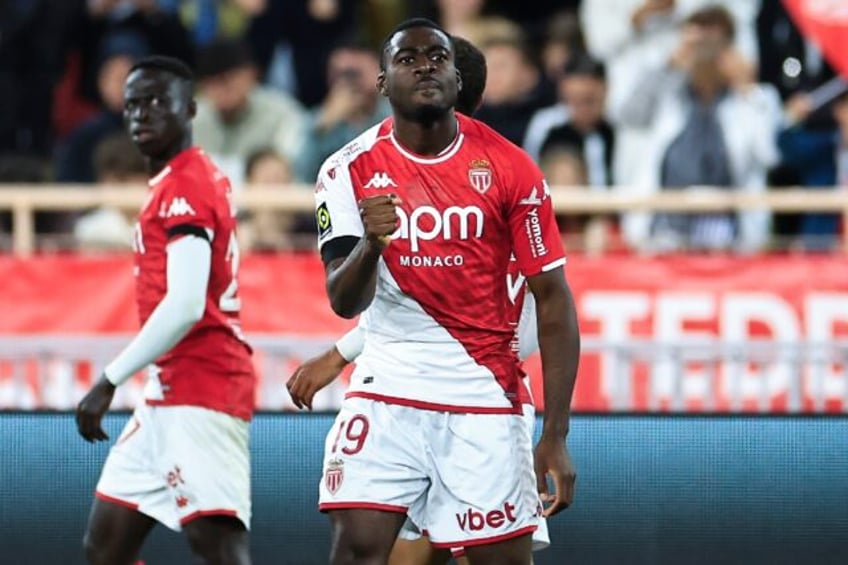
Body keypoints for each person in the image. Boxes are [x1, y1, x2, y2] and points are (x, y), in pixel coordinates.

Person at [311, 18, 580, 565]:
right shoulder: (345, 171)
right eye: (407, 59)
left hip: (483, 398)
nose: (424, 66)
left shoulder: (513, 168)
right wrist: (372, 244)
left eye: (437, 57)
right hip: (386, 388)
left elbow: (554, 299)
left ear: (458, 79)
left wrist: (554, 434)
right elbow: (343, 300)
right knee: (359, 550)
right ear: (383, 82)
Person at [75, 55, 255, 565]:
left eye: (157, 101)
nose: (142, 113)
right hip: (166, 393)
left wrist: (109, 379)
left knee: (220, 548)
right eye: (133, 104)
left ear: (191, 108)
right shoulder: (184, 180)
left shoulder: (185, 186)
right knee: (106, 549)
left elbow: (185, 304)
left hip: (202, 389)